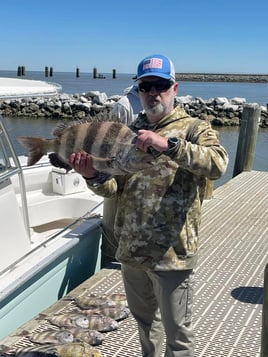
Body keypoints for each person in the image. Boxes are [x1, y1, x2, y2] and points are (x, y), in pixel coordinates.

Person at [69, 54, 229, 357]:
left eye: (161, 85)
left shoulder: (195, 128)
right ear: (139, 90)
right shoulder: (127, 133)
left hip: (172, 255)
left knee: (178, 336)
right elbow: (114, 187)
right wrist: (92, 176)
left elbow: (218, 164)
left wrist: (168, 145)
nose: (153, 92)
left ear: (175, 88)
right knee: (145, 326)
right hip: (131, 252)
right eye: (146, 86)